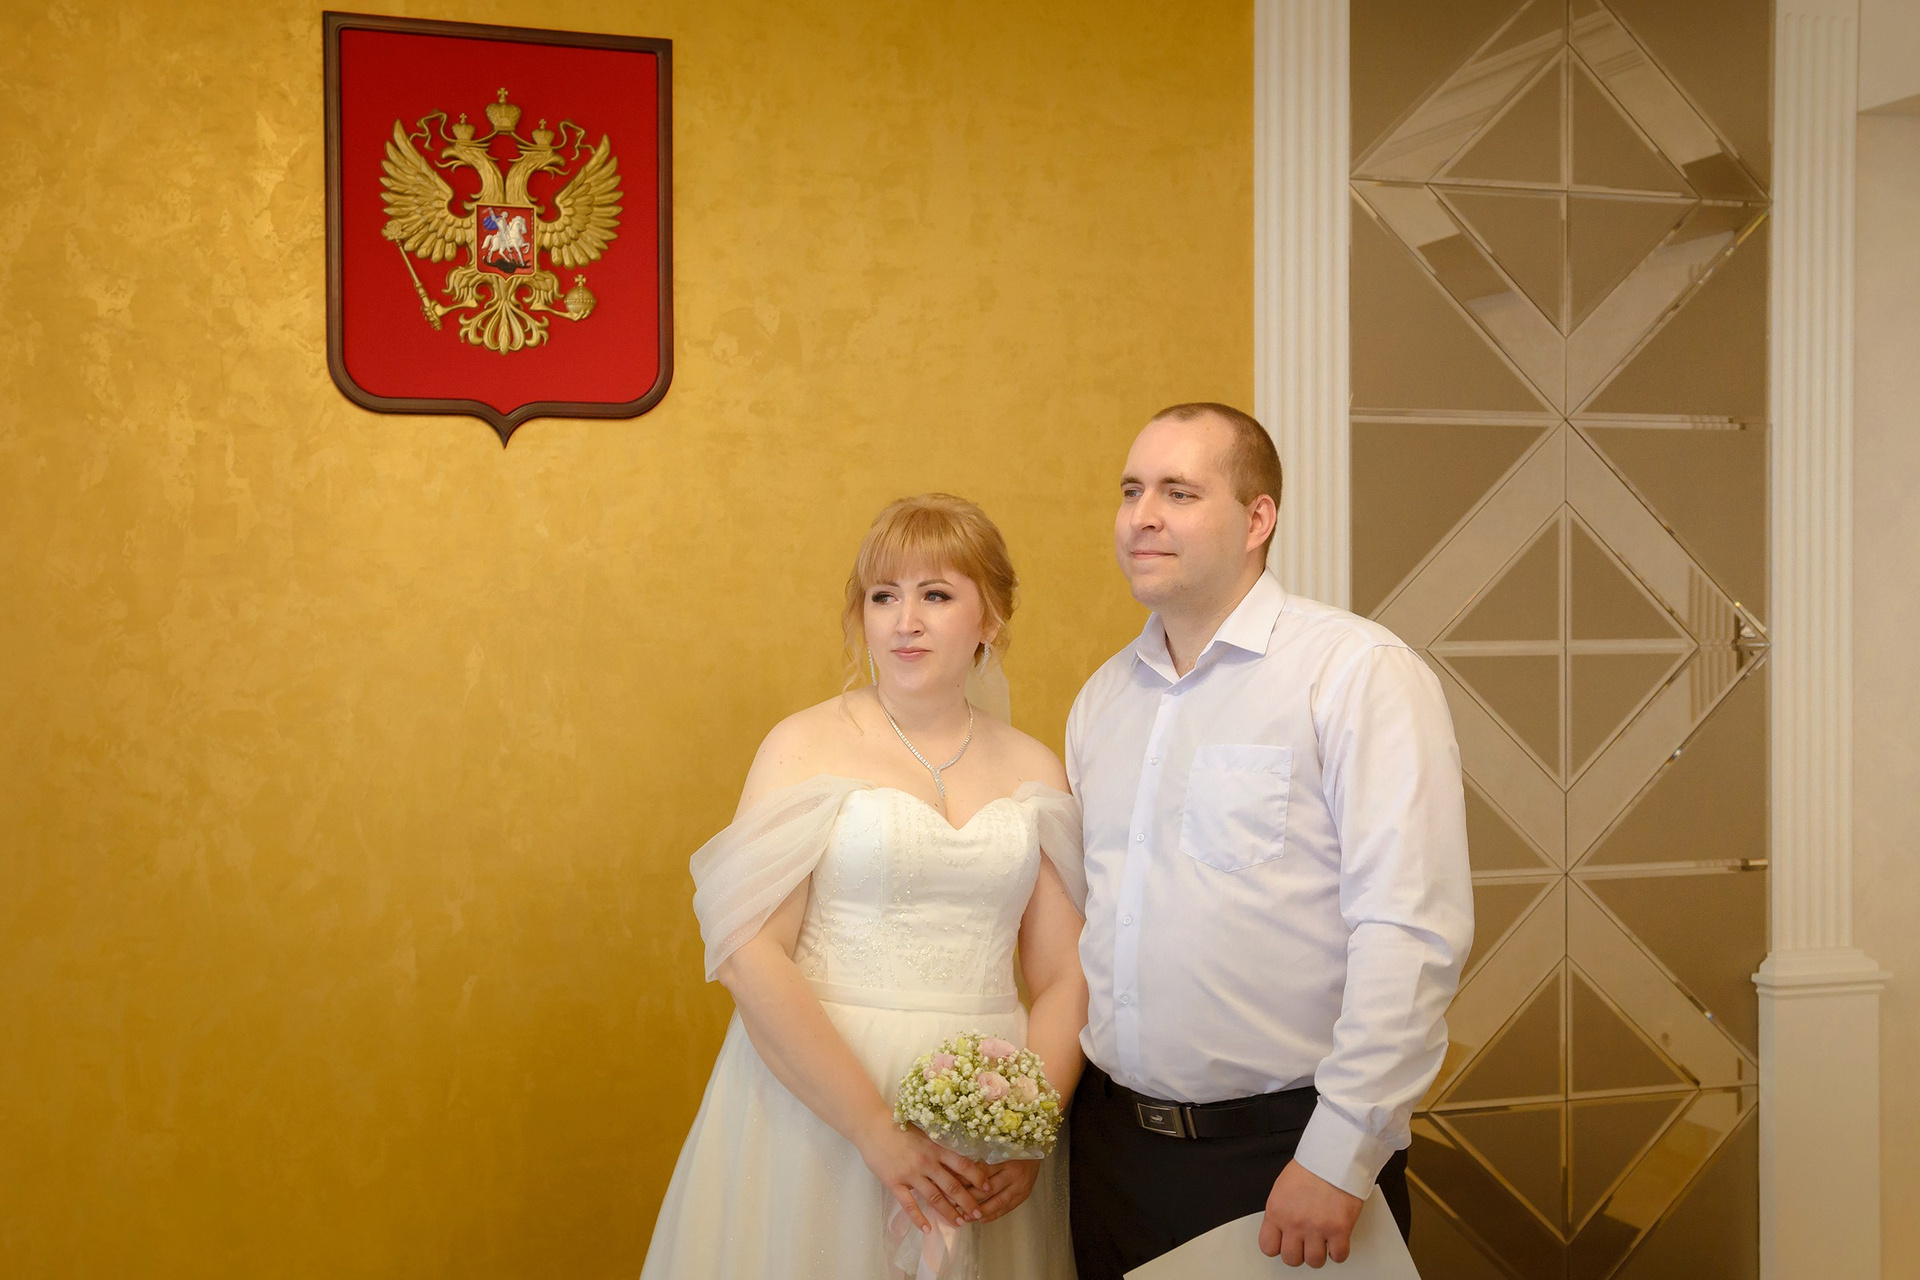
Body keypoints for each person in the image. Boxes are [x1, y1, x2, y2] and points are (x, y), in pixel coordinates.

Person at [1065, 403, 1473, 1277]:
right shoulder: (1102, 701)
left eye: (1179, 492)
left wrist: (1340, 1154)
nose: (1143, 516)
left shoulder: (1355, 672)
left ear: (1258, 519)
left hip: (1284, 1158)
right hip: (1108, 1155)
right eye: (1132, 491)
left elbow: (1410, 931)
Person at [642, 494, 1086, 1280]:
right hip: (820, 1108)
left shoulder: (1035, 767)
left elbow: (1063, 975)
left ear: (990, 618)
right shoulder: (804, 745)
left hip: (982, 1127)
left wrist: (1027, 1128)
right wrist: (874, 1129)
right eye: (884, 597)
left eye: (935, 595)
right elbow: (749, 951)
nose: (904, 622)